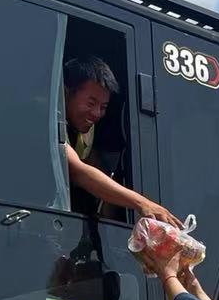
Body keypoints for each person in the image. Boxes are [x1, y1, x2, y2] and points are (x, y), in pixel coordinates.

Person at [62, 56, 176, 224]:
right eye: (91, 103)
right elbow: (77, 170)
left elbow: (94, 168)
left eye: (103, 107)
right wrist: (142, 203)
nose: (97, 114)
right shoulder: (47, 118)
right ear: (66, 93)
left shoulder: (88, 131)